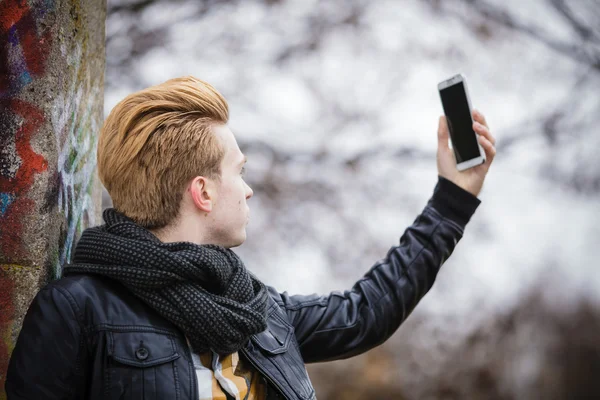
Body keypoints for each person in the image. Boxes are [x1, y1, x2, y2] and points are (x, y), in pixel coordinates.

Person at [5, 76, 495, 400]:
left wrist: (452, 198)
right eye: (238, 172)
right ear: (202, 191)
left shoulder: (257, 310)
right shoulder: (75, 311)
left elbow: (365, 314)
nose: (249, 189)